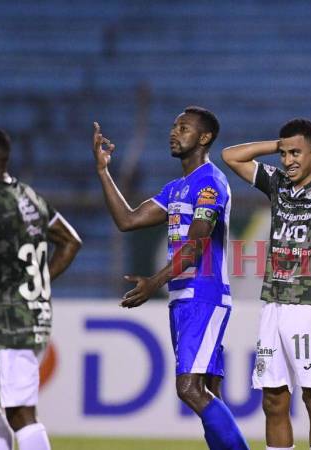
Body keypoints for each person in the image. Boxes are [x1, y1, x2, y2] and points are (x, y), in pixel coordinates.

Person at [92, 106, 249, 450]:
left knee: (189, 388)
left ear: (204, 138)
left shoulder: (210, 183)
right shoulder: (177, 188)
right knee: (208, 391)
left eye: (184, 127)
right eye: (174, 126)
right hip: (184, 299)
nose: (174, 132)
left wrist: (154, 282)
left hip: (203, 295)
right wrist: (104, 172)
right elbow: (128, 220)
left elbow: (195, 245)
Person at [223, 118, 311, 450]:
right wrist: (276, 145)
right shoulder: (278, 183)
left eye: (297, 152)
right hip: (273, 303)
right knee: (273, 400)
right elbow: (230, 156)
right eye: (284, 154)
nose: (288, 160)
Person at [0, 127, 82, 450]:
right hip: (30, 314)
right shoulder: (30, 197)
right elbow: (70, 242)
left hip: (10, 321)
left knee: (21, 413)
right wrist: (37, 284)